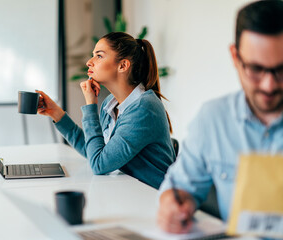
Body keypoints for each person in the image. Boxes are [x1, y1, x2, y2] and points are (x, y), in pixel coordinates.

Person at [157, 0, 283, 234]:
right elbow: (180, 188)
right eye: (255, 69)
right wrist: (174, 206)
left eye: (281, 69)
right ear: (235, 57)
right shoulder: (213, 120)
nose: (269, 85)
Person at [36, 32, 176, 189]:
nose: (89, 62)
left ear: (123, 65)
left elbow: (99, 165)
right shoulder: (111, 104)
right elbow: (95, 152)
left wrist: (90, 105)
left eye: (99, 56)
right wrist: (56, 113)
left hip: (153, 197)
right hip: (128, 191)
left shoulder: (143, 108)